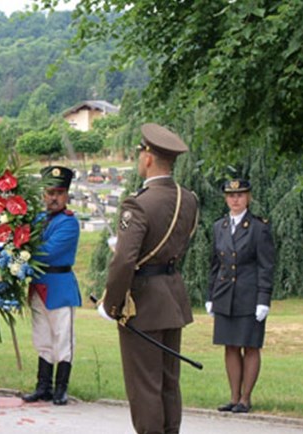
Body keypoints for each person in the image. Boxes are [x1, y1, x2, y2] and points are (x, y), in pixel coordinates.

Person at [99, 123, 199, 434]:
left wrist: (111, 304)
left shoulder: (138, 204)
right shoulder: (189, 199)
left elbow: (124, 261)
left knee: (145, 388)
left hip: (142, 304)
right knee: (168, 385)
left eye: (141, 153)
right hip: (172, 298)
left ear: (148, 158)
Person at [206, 179, 274, 414]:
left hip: (249, 295)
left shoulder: (258, 227)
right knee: (230, 347)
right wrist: (210, 296)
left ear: (248, 198)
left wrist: (263, 299)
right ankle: (233, 398)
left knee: (250, 347)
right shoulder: (219, 227)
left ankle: (246, 399)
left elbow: (266, 266)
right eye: (231, 196)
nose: (235, 200)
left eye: (240, 195)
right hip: (225, 295)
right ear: (226, 198)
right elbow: (215, 264)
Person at [22, 166, 81, 406]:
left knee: (62, 339)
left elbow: (47, 252)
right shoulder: (37, 220)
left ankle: (61, 388)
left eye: (58, 192)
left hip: (59, 287)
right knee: (42, 337)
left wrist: (23, 252)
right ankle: (43, 386)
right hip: (39, 285)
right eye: (49, 192)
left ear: (66, 195)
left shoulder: (69, 223)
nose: (53, 197)